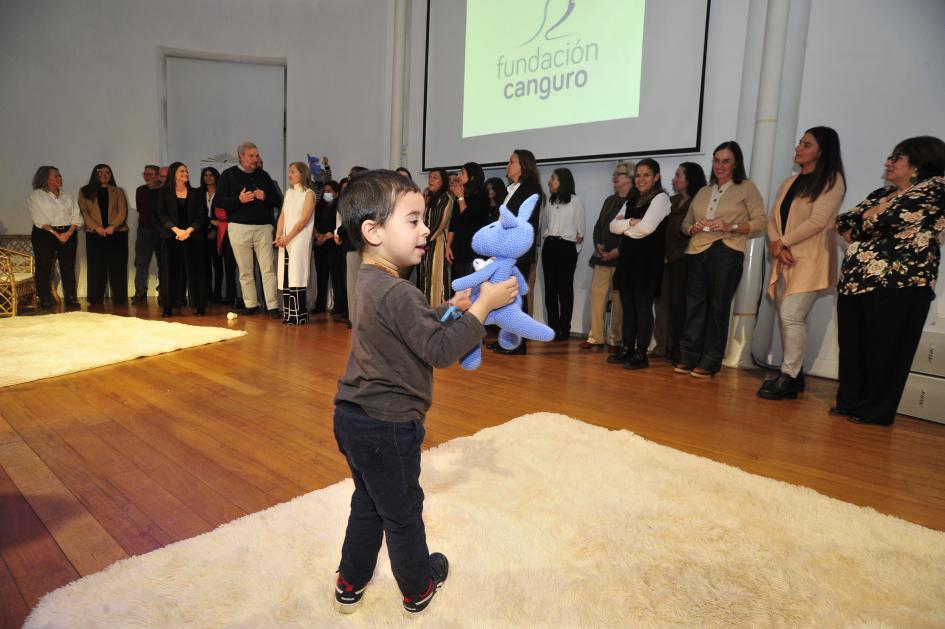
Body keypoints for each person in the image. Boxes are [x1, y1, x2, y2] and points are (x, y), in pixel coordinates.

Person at [331, 169, 518, 615]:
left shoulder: (369, 279)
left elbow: (407, 325)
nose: (426, 228)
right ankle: (416, 586)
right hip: (388, 425)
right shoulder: (398, 291)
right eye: (413, 220)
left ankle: (350, 580)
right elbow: (437, 351)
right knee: (402, 510)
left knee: (369, 502)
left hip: (352, 416)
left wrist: (447, 310)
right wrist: (482, 309)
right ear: (373, 231)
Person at [834, 136, 945, 425]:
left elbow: (888, 219)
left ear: (917, 164)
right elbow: (843, 223)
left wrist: (870, 219)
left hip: (901, 284)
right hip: (857, 282)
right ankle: (850, 402)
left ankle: (874, 410)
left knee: (887, 350)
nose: (887, 162)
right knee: (853, 346)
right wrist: (872, 216)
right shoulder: (880, 194)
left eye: (896, 158)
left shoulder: (936, 190)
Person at [758, 127, 846, 400]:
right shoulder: (790, 181)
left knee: (791, 316)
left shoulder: (832, 180)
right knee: (791, 319)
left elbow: (818, 221)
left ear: (822, 150)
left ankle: (790, 376)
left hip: (811, 258)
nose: (798, 148)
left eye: (806, 144)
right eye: (800, 142)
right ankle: (793, 377)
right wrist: (777, 244)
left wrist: (782, 242)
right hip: (785, 257)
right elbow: (772, 219)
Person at [677, 141, 766, 378]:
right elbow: (684, 224)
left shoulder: (747, 187)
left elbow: (760, 222)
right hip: (696, 251)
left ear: (736, 163)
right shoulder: (703, 191)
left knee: (718, 306)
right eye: (716, 160)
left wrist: (732, 226)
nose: (719, 165)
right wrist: (693, 229)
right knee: (694, 306)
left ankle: (710, 360)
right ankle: (688, 355)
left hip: (726, 250)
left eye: (725, 161)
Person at [607, 159, 671, 369]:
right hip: (628, 261)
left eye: (646, 175)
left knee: (642, 308)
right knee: (628, 307)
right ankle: (627, 349)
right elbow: (612, 226)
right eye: (639, 175)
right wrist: (631, 224)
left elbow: (647, 229)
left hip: (647, 262)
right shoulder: (633, 197)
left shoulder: (661, 198)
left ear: (656, 177)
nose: (641, 179)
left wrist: (627, 226)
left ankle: (641, 353)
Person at [214, 141, 283, 318]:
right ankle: (251, 304)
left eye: (256, 155)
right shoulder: (228, 175)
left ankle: (272, 305)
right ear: (241, 156)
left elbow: (278, 200)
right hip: (238, 227)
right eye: (251, 156)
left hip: (263, 228)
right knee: (245, 269)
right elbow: (219, 201)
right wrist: (239, 200)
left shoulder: (263, 175)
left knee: (267, 268)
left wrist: (265, 196)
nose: (255, 159)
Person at [651, 162, 707, 363]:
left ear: (690, 179)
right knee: (662, 304)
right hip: (663, 260)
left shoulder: (698, 202)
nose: (674, 179)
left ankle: (678, 349)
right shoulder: (670, 201)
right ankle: (662, 345)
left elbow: (689, 234)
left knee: (679, 306)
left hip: (684, 261)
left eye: (678, 175)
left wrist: (672, 256)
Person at [493, 149, 544, 354]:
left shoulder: (531, 188)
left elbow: (521, 221)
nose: (508, 165)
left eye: (511, 162)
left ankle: (517, 343)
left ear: (523, 165)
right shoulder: (513, 188)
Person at [582, 160, 633, 352]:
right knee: (597, 295)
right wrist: (598, 244)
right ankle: (595, 337)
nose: (615, 177)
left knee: (619, 300)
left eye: (619, 173)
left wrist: (618, 250)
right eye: (615, 173)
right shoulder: (609, 200)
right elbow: (598, 227)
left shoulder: (636, 200)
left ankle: (615, 339)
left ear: (630, 178)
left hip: (623, 258)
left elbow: (635, 230)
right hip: (602, 257)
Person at [156, 162, 207, 317]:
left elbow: (201, 215)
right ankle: (169, 306)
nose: (185, 173)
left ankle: (199, 306)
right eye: (181, 171)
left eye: (186, 170)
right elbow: (161, 214)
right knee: (170, 272)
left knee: (196, 272)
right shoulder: (164, 193)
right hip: (172, 236)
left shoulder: (196, 193)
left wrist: (189, 231)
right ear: (173, 174)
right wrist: (177, 230)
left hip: (193, 237)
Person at [27, 166, 81, 309]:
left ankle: (71, 297)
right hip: (45, 233)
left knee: (68, 266)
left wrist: (68, 233)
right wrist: (56, 234)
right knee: (44, 265)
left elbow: (76, 217)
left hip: (68, 232)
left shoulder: (68, 197)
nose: (60, 178)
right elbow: (39, 219)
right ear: (46, 179)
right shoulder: (36, 196)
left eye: (60, 176)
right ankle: (44, 296)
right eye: (56, 176)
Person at [541, 167, 585, 341]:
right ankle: (552, 327)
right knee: (550, 289)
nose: (549, 182)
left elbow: (581, 232)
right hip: (550, 246)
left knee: (564, 290)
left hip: (566, 247)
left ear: (563, 181)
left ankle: (564, 329)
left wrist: (573, 251)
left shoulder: (575, 201)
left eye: (553, 178)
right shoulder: (550, 202)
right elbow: (547, 226)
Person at [78, 164, 129, 305]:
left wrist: (113, 226)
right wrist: (97, 227)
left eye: (108, 172)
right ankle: (95, 298)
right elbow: (84, 213)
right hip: (95, 235)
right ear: (95, 174)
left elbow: (122, 212)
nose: (104, 175)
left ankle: (120, 298)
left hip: (117, 233)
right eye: (100, 172)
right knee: (96, 267)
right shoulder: (84, 191)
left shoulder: (118, 191)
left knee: (118, 267)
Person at [275, 161, 316, 325]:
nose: (290, 174)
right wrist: (279, 235)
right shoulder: (289, 193)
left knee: (297, 274)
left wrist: (289, 237)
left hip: (299, 238)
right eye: (289, 171)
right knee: (286, 275)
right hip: (286, 239)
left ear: (302, 174)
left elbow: (304, 219)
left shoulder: (309, 193)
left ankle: (298, 315)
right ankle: (288, 314)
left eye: (293, 171)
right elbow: (283, 216)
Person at [416, 167, 453, 306]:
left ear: (443, 181)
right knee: (426, 278)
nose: (431, 180)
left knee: (437, 279)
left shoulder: (445, 198)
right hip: (425, 243)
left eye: (435, 177)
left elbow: (439, 224)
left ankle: (441, 314)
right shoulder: (429, 198)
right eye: (430, 177)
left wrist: (423, 240)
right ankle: (428, 312)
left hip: (437, 243)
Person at [446, 162, 490, 280]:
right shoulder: (461, 196)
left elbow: (468, 218)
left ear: (471, 177)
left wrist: (460, 198)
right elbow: (453, 223)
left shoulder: (482, 195)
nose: (459, 176)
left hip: (474, 251)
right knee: (458, 288)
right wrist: (448, 245)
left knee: (471, 289)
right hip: (459, 249)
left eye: (463, 173)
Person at [313, 180, 347, 317]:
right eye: (325, 191)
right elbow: (313, 223)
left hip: (334, 244)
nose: (327, 194)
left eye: (330, 191)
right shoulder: (319, 206)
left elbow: (340, 225)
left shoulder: (339, 206)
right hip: (320, 245)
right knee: (321, 277)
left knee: (336, 277)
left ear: (336, 193)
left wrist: (328, 236)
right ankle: (319, 305)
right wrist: (318, 236)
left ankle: (340, 307)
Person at [132, 164, 163, 303]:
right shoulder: (140, 190)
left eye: (149, 174)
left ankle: (163, 291)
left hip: (161, 231)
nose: (146, 177)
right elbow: (140, 208)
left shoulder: (164, 190)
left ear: (158, 176)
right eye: (144, 174)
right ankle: (140, 291)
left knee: (163, 262)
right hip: (144, 230)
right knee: (141, 262)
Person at [199, 167, 229, 303]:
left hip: (219, 233)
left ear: (216, 177)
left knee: (218, 265)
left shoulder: (222, 193)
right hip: (202, 233)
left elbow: (224, 215)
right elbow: (198, 214)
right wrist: (210, 224)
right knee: (204, 266)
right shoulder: (199, 193)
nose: (208, 178)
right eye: (206, 175)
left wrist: (215, 229)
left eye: (211, 175)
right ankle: (206, 293)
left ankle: (217, 293)